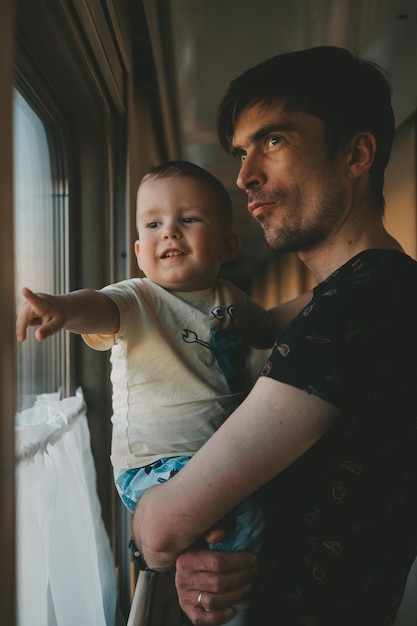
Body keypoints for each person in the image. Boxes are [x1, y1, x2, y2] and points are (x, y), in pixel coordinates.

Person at [130, 46, 417, 626]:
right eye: (241, 152)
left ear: (356, 154)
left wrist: (163, 535)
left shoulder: (360, 308)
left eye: (274, 141)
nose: (243, 176)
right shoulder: (352, 297)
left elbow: (162, 530)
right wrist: (211, 560)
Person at [16, 160, 309, 626]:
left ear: (228, 244)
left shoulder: (229, 300)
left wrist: (330, 293)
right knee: (242, 521)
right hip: (156, 464)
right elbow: (98, 306)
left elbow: (271, 325)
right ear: (139, 249)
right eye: (154, 224)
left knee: (253, 517)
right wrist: (62, 308)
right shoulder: (139, 299)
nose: (169, 233)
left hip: (215, 459)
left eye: (188, 219)